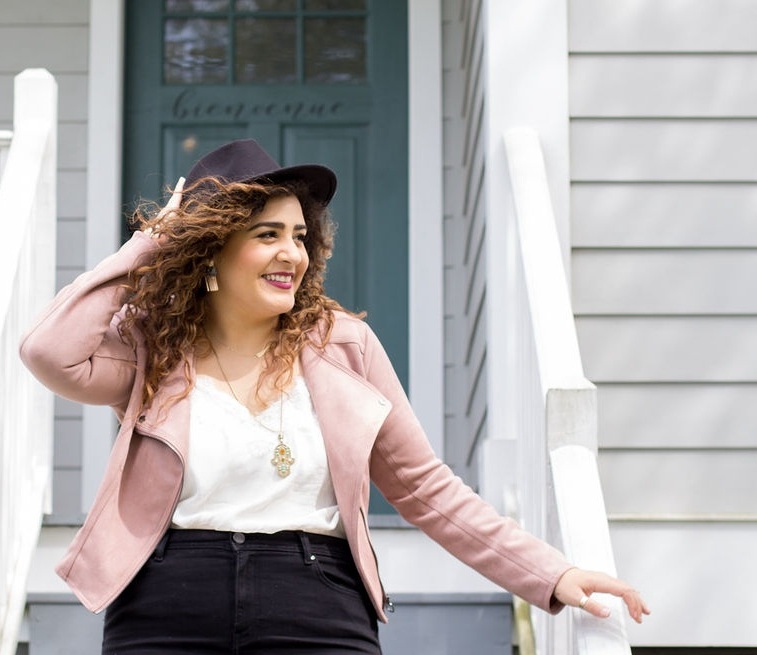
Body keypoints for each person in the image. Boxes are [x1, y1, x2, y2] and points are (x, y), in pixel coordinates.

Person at [20, 139, 649, 654]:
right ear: (211, 249)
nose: (290, 253)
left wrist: (552, 574)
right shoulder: (148, 349)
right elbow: (49, 349)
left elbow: (426, 489)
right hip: (166, 605)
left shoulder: (344, 346)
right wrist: (154, 242)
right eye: (267, 234)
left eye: (298, 235)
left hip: (315, 601)